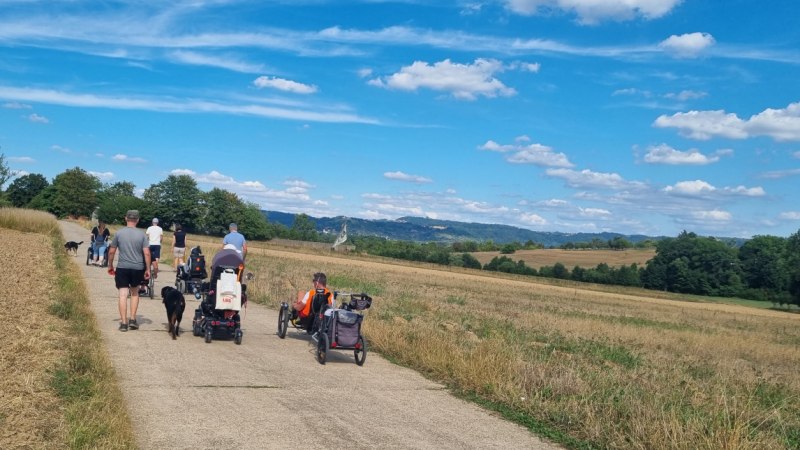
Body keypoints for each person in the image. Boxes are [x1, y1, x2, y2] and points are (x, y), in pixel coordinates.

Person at [107, 210, 151, 332]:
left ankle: (123, 323)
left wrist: (110, 265)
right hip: (137, 268)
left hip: (122, 267)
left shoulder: (119, 233)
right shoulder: (142, 235)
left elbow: (111, 251)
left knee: (122, 294)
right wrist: (148, 269)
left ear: (126, 218)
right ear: (137, 220)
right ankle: (132, 319)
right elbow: (147, 253)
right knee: (135, 293)